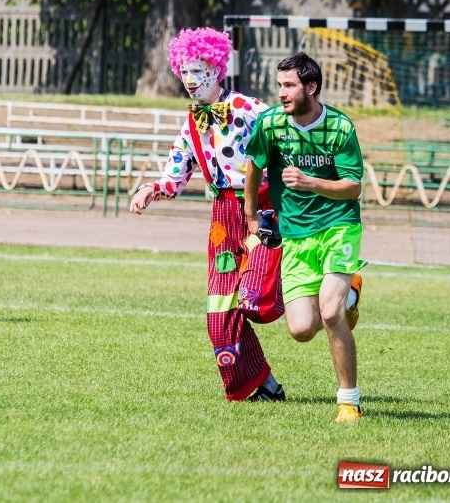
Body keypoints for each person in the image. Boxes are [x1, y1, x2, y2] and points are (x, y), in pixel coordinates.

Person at [130, 27, 285, 402]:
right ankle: (260, 385)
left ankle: (343, 295)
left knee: (256, 302)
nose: (189, 78)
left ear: (217, 69)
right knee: (219, 314)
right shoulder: (191, 124)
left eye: (197, 69)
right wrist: (153, 188)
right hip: (222, 221)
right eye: (184, 70)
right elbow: (176, 172)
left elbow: (287, 139)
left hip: (262, 211)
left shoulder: (250, 109)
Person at [243, 51, 365, 423]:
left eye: (290, 85)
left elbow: (354, 187)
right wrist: (249, 215)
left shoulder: (340, 128)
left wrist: (311, 182)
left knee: (330, 312)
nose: (281, 93)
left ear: (311, 87)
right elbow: (254, 165)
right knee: (300, 329)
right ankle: (353, 292)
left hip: (338, 226)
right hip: (295, 235)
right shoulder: (270, 123)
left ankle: (349, 403)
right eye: (279, 85)